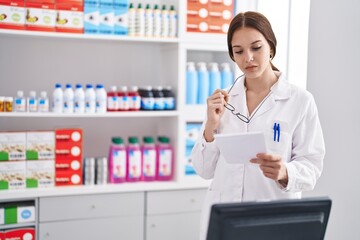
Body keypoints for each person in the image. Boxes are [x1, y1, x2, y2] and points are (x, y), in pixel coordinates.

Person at [191, 11, 325, 240]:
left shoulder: (299, 101)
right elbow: (204, 170)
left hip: (273, 220)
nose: (248, 58)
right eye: (239, 51)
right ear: (232, 55)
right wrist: (210, 126)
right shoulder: (224, 100)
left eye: (256, 47)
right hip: (225, 219)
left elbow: (312, 166)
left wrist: (285, 172)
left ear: (271, 47)